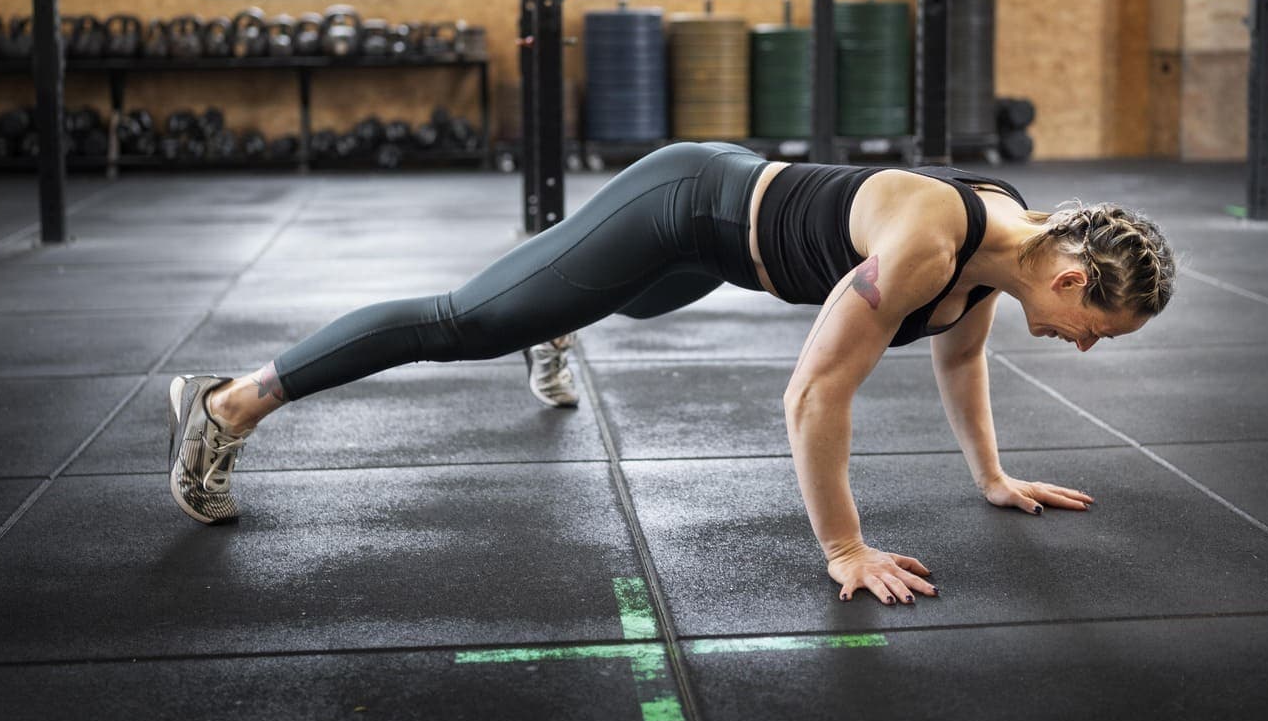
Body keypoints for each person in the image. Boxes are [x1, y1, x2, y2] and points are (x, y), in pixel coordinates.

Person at [165, 141, 1176, 605]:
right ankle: (232, 403)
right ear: (1075, 274)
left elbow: (961, 356)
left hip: (724, 256)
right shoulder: (927, 244)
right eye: (1094, 328)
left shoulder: (1013, 246)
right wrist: (844, 547)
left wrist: (991, 479)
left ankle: (556, 315)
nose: (1083, 346)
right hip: (684, 207)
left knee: (610, 300)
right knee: (466, 322)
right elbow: (815, 394)